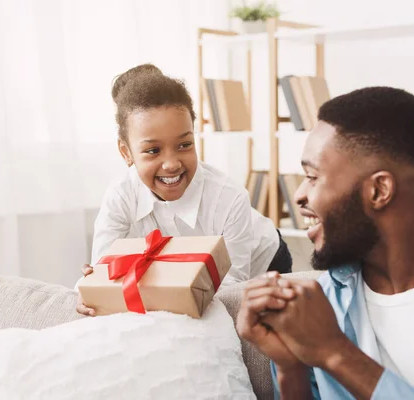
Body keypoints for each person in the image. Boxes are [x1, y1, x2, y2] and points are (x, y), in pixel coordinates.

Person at [236, 86, 414, 399]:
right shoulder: (320, 305)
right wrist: (290, 366)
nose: (299, 195)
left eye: (312, 177)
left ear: (379, 190)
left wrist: (336, 353)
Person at [76, 64, 292, 316]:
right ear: (126, 152)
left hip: (263, 261)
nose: (171, 164)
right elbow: (102, 270)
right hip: (188, 273)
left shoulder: (229, 197)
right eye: (153, 150)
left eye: (184, 144)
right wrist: (91, 291)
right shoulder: (121, 195)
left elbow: (231, 286)